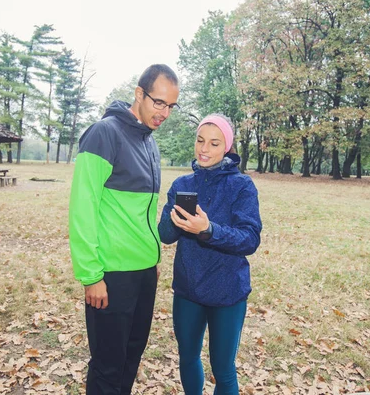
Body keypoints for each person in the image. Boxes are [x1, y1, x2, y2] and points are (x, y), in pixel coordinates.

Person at [68, 64, 180, 395]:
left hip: (144, 272)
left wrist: (152, 261)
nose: (164, 113)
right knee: (108, 365)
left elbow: (141, 215)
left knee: (131, 357)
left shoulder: (150, 144)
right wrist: (91, 275)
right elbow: (82, 208)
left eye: (171, 106)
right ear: (139, 94)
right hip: (111, 275)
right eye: (158, 102)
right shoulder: (104, 133)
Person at [158, 113, 262, 394]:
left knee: (223, 369)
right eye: (200, 141)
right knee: (188, 357)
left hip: (228, 293)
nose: (204, 149)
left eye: (214, 143)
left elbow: (250, 239)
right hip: (188, 290)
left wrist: (208, 230)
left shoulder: (241, 186)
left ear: (226, 147)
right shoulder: (182, 185)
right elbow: (166, 237)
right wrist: (172, 215)